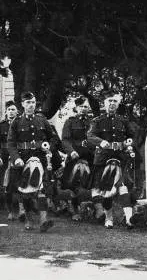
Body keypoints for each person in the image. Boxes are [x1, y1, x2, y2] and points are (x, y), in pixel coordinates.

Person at [7, 91, 60, 232]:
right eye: (28, 102)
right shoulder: (16, 122)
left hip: (40, 158)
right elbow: (11, 144)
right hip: (23, 159)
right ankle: (29, 220)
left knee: (42, 189)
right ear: (22, 104)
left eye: (33, 102)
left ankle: (43, 221)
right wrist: (16, 158)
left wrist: (49, 147)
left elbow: (54, 138)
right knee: (25, 191)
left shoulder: (42, 120)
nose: (31, 105)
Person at [87, 90, 138, 229]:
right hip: (103, 158)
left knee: (123, 187)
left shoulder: (123, 121)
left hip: (120, 157)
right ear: (104, 103)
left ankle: (129, 219)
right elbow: (90, 136)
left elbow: (133, 136)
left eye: (115, 101)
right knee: (106, 190)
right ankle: (108, 217)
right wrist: (100, 141)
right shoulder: (97, 121)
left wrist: (129, 142)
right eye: (109, 101)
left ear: (118, 103)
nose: (112, 103)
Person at [59, 97, 95, 222]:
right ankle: (73, 209)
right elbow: (65, 140)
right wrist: (71, 151)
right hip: (75, 155)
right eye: (81, 106)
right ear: (76, 108)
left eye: (86, 107)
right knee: (70, 182)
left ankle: (95, 208)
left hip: (90, 155)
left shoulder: (92, 122)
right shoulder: (70, 122)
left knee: (93, 181)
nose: (83, 109)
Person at [0, 102, 24, 222]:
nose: (11, 112)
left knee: (21, 184)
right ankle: (10, 211)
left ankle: (22, 210)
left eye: (13, 109)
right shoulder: (0, 126)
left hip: (18, 157)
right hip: (5, 158)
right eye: (9, 109)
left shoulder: (22, 124)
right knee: (6, 187)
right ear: (6, 112)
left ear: (17, 112)